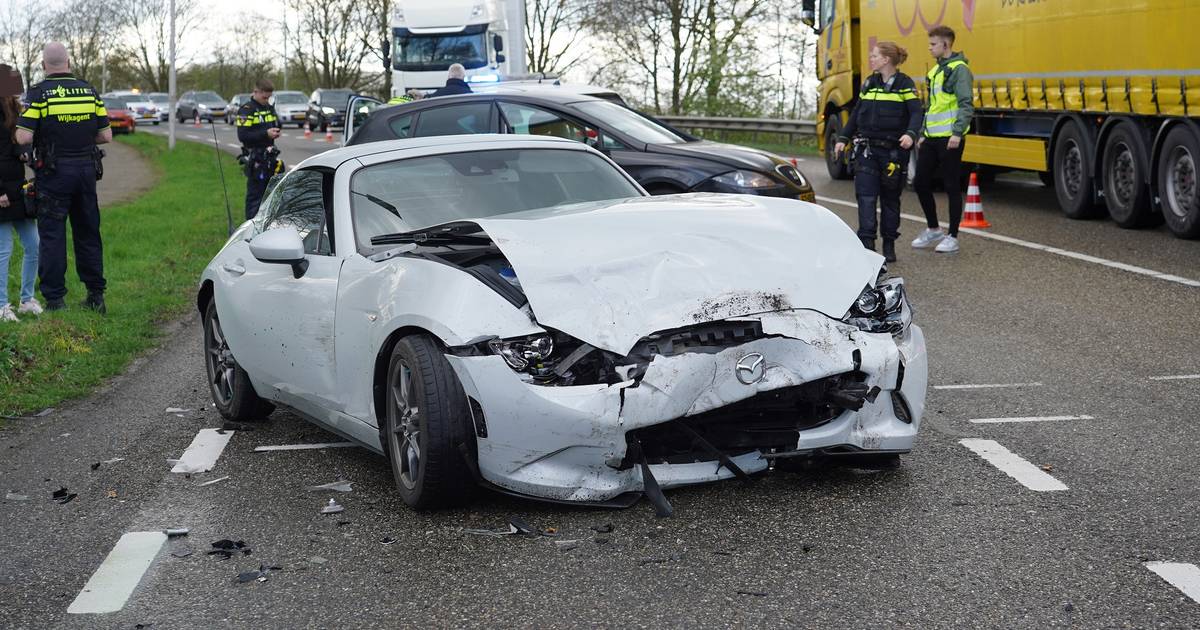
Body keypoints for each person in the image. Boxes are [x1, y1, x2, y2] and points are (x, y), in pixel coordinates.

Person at [15, 43, 110, 314]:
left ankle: (55, 300)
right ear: (68, 62)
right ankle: (96, 295)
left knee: (53, 235)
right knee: (88, 232)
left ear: (44, 65)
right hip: (86, 172)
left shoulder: (39, 94)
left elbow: (23, 136)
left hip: (54, 174)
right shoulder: (89, 90)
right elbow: (106, 135)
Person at [833, 42, 922, 262]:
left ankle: (889, 244)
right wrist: (843, 138)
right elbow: (856, 114)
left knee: (890, 200)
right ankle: (867, 246)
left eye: (874, 56)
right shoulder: (870, 83)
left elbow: (916, 112)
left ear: (886, 59)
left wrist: (911, 133)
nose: (871, 59)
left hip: (892, 153)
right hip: (867, 151)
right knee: (866, 198)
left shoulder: (904, 84)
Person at [910, 25, 974, 254]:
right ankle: (934, 229)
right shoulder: (935, 71)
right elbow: (932, 107)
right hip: (931, 138)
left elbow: (966, 104)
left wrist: (957, 133)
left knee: (951, 185)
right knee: (920, 182)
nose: (929, 48)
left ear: (945, 44)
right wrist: (923, 134)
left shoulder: (959, 69)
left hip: (950, 138)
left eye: (933, 44)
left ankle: (953, 236)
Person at [0, 68, 40, 321]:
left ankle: (27, 299)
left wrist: (23, 153)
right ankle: (2, 305)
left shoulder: (16, 109)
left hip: (19, 189)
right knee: (3, 251)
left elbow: (14, 145)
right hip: (2, 193)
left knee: (34, 245)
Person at [236, 78, 282, 220]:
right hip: (256, 159)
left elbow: (276, 123)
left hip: (270, 158)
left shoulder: (269, 108)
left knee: (271, 197)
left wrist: (276, 130)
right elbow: (243, 136)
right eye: (264, 97)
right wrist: (265, 134)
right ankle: (250, 229)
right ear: (256, 92)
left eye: (269, 97)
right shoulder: (247, 110)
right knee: (255, 198)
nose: (266, 100)